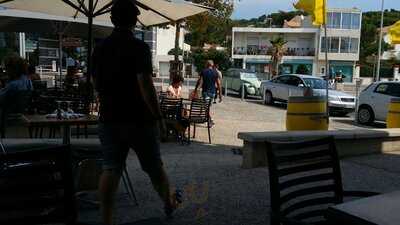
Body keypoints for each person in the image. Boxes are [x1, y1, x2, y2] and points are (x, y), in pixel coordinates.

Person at [91, 1, 178, 224]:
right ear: (135, 20)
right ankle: (168, 203)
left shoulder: (99, 48)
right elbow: (145, 86)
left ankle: (106, 219)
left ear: (111, 19)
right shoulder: (139, 48)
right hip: (139, 118)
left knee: (111, 168)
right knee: (153, 166)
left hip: (109, 117)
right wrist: (159, 118)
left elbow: (95, 82)